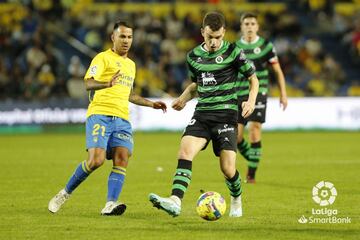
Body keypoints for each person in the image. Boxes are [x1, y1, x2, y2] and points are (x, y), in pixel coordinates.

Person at [48, 20, 167, 216]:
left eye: (129, 37)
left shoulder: (131, 65)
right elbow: (88, 83)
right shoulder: (102, 58)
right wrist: (106, 83)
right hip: (100, 114)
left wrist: (151, 104)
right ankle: (64, 193)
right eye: (122, 36)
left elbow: (129, 94)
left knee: (122, 158)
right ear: (113, 38)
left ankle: (110, 204)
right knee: (96, 161)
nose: (126, 40)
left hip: (122, 118)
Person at [149, 12, 259, 218]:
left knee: (227, 169)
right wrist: (183, 98)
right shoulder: (193, 57)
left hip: (226, 116)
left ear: (224, 33)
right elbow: (196, 84)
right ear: (202, 33)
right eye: (210, 37)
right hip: (202, 115)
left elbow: (253, 79)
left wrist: (251, 101)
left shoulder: (234, 52)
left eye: (218, 37)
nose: (214, 42)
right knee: (184, 153)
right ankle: (175, 201)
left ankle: (236, 197)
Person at [236, 13, 288, 183]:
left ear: (257, 27)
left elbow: (278, 71)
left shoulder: (266, 46)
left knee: (255, 128)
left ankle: (251, 174)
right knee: (236, 137)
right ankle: (254, 157)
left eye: (252, 23)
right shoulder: (235, 47)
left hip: (259, 92)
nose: (249, 26)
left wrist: (283, 93)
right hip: (239, 93)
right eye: (246, 23)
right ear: (242, 27)